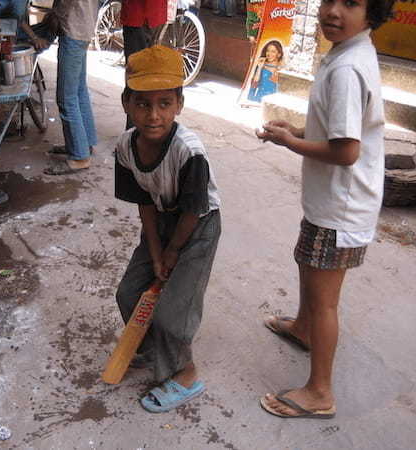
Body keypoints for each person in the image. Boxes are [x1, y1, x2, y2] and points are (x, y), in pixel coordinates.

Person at [255, 0, 396, 419]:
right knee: (307, 265)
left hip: (341, 208)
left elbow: (346, 150)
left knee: (324, 302)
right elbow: (338, 129)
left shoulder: (349, 69)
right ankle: (302, 329)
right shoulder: (346, 53)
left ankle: (320, 392)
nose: (333, 11)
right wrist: (296, 130)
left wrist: (289, 142)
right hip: (330, 202)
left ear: (373, 13)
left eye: (350, 3)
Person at [114, 45, 221, 413]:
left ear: (179, 104)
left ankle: (186, 373)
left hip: (199, 224)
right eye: (142, 104)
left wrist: (173, 254)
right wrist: (157, 251)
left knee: (174, 311)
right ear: (126, 103)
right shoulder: (125, 147)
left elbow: (193, 210)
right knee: (129, 291)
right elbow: (144, 201)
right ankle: (146, 349)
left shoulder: (189, 151)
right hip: (161, 221)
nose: (153, 115)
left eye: (164, 103)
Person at [41, 0, 99, 176]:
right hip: (84, 26)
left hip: (73, 28)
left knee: (66, 98)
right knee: (79, 92)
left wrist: (55, 14)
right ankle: (83, 143)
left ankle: (79, 158)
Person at [120, 0, 168, 129]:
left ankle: (135, 129)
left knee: (136, 76)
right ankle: (143, 125)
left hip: (138, 14)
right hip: (154, 14)